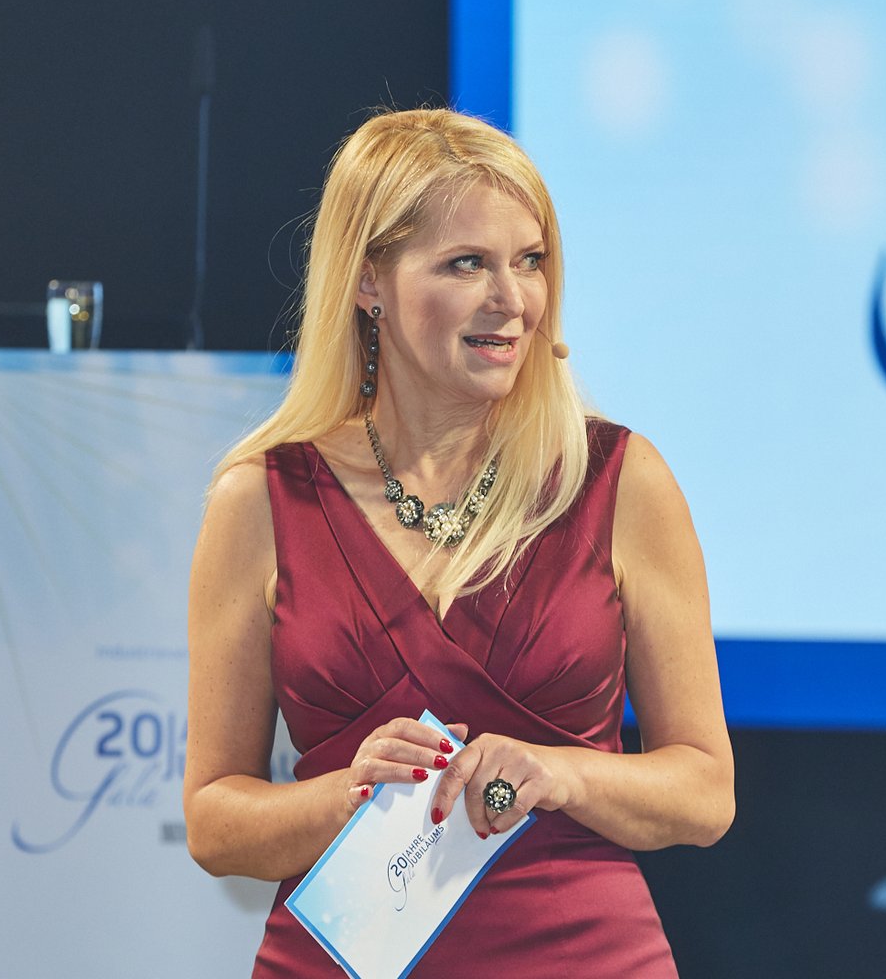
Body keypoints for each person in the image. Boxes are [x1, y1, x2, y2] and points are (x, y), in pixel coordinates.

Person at [184, 107, 733, 977]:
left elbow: (704, 792)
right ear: (369, 281)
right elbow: (214, 821)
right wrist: (344, 796)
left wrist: (559, 775)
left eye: (530, 261)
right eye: (466, 263)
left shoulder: (619, 480)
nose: (512, 299)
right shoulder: (261, 498)